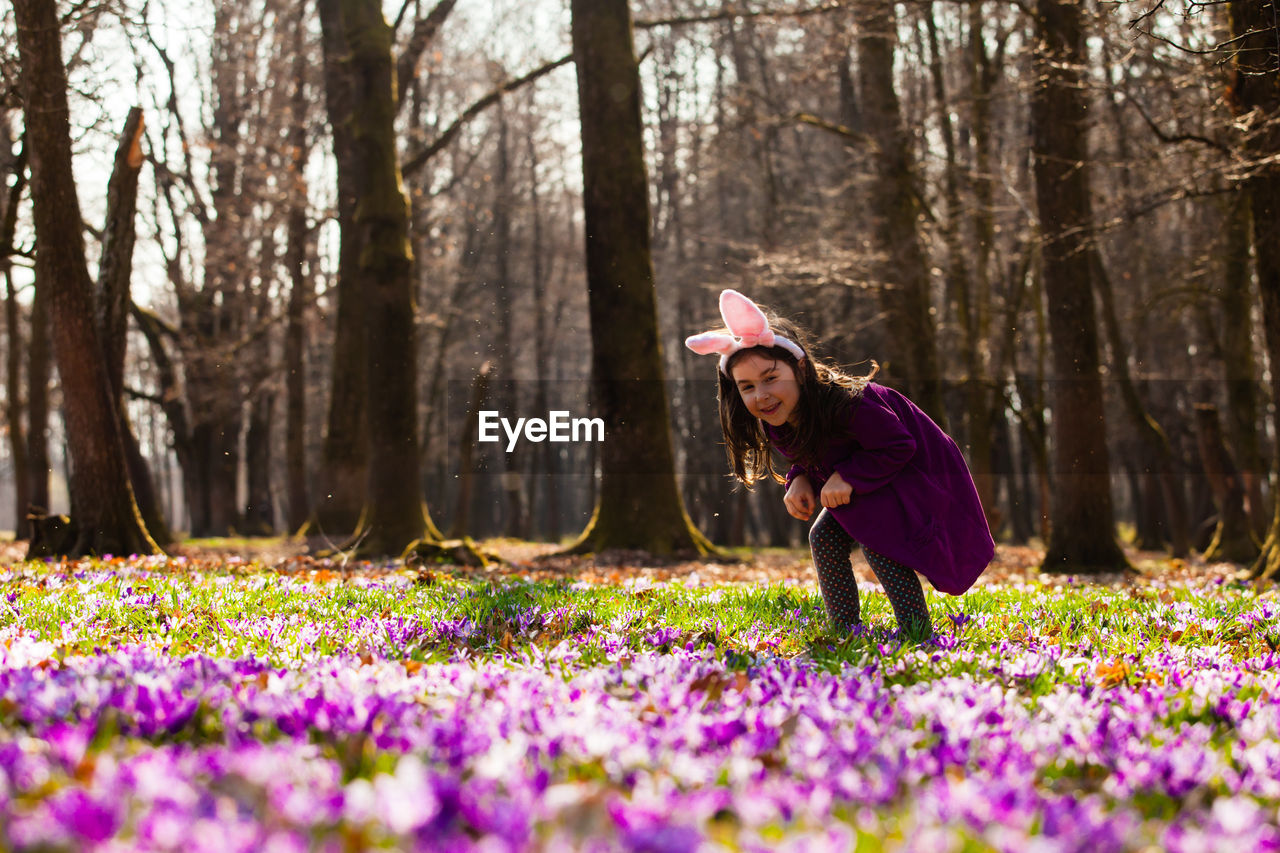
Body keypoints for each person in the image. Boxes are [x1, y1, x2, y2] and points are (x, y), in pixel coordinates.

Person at [686, 289, 994, 636]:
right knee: (823, 537)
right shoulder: (778, 419)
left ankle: (916, 629)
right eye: (747, 387)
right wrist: (799, 478)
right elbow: (812, 455)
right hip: (871, 479)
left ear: (800, 369)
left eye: (771, 378)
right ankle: (844, 629)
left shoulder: (851, 404)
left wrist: (848, 477)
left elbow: (898, 445)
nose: (762, 395)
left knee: (878, 538)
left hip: (915, 471)